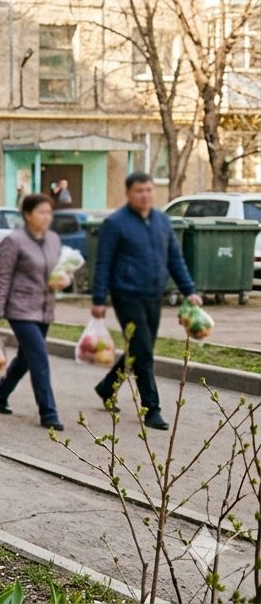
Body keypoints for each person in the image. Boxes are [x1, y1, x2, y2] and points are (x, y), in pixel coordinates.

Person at [90, 172, 203, 431]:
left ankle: (107, 388)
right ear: (129, 193)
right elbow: (103, 263)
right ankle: (152, 408)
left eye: (149, 190)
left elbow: (175, 258)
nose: (146, 195)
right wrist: (99, 299)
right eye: (140, 190)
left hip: (153, 294)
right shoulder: (116, 223)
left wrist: (189, 290)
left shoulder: (162, 221)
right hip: (126, 294)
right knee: (144, 351)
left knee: (139, 350)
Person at [0, 193, 64, 431]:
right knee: (39, 357)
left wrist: (63, 280)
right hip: (19, 309)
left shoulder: (53, 239)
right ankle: (49, 413)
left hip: (44, 308)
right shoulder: (14, 241)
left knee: (25, 359)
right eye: (41, 212)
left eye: (49, 212)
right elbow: (3, 277)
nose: (46, 217)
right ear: (28, 215)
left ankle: (0, 393)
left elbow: (56, 270)